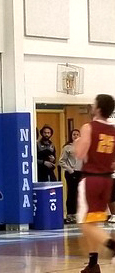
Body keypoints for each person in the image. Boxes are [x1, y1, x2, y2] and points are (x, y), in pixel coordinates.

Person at [74, 94, 115, 273]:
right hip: (108, 180)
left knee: (84, 223)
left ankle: (112, 246)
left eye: (94, 103)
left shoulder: (88, 127)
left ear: (98, 108)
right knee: (94, 223)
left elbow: (80, 154)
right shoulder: (114, 130)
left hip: (91, 179)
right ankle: (93, 264)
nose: (92, 105)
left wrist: (77, 143)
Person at [59, 129, 82, 224]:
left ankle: (79, 214)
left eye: (77, 134)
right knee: (72, 193)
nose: (76, 136)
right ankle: (70, 215)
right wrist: (70, 170)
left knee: (80, 194)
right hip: (71, 172)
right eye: (74, 134)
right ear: (71, 136)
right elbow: (61, 161)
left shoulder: (83, 147)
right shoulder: (67, 147)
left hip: (81, 172)